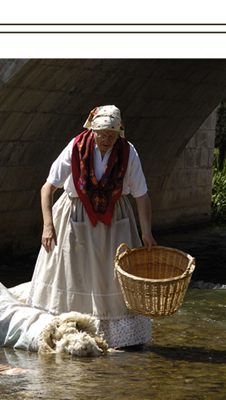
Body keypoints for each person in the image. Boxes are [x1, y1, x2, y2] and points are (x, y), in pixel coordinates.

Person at [25, 105, 156, 349]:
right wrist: (47, 225)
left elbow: (142, 195)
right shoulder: (76, 147)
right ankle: (67, 329)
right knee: (74, 273)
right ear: (92, 130)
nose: (107, 140)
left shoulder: (128, 152)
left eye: (112, 135)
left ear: (120, 134)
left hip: (115, 218)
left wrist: (146, 232)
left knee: (112, 276)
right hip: (75, 215)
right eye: (102, 134)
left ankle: (115, 338)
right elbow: (48, 188)